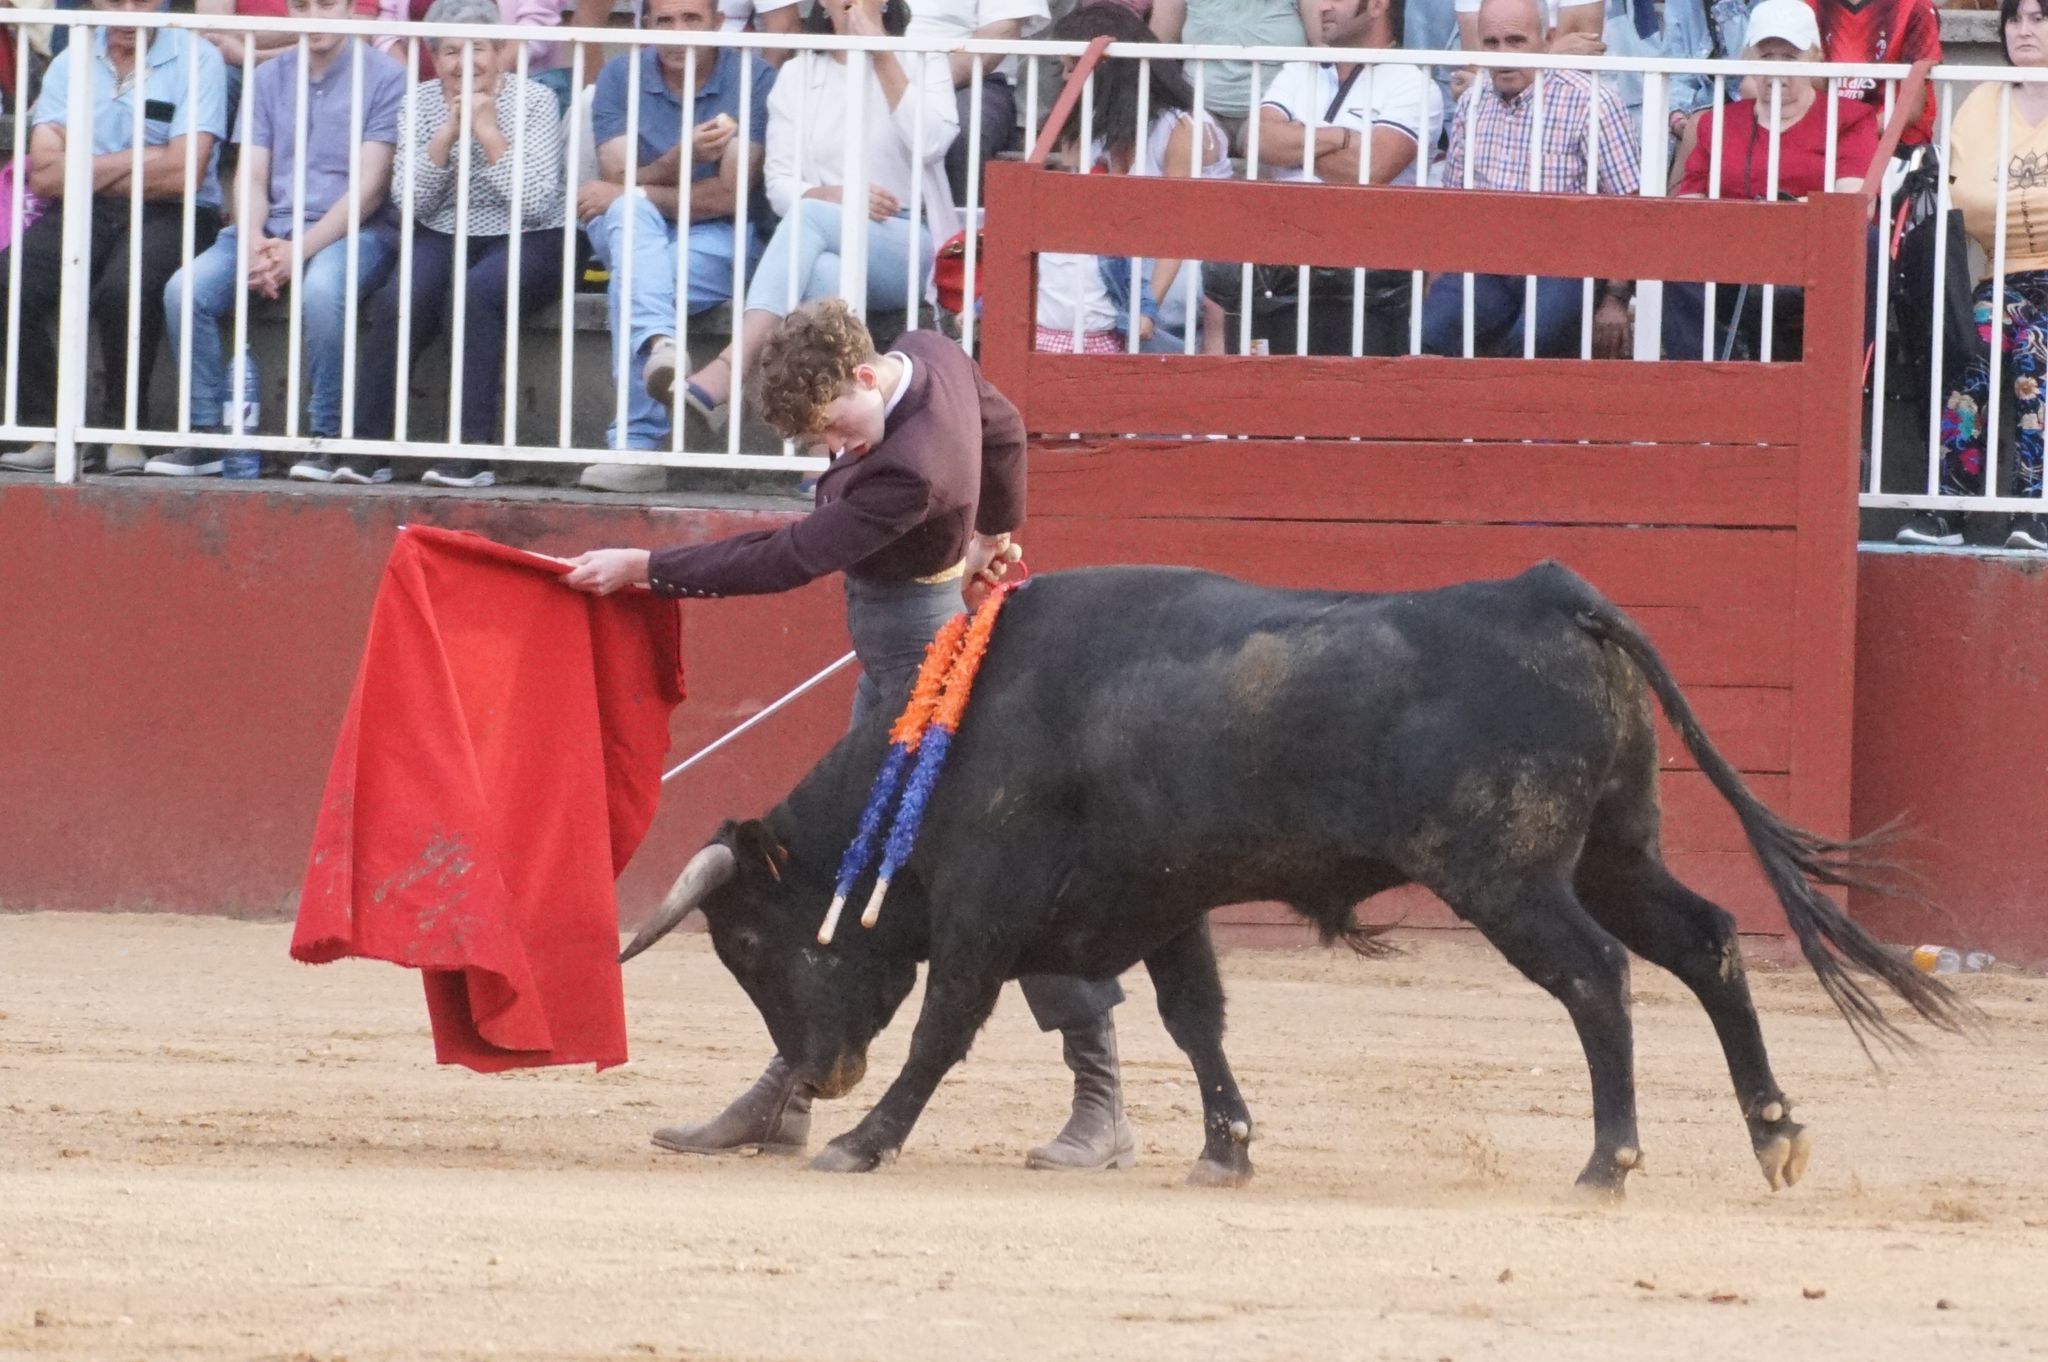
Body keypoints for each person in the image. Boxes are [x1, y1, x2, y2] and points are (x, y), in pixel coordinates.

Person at [563, 300, 1136, 1172]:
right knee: (854, 880)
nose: (835, 449)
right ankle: (787, 1093)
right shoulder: (931, 354)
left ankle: (1102, 1105)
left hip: (924, 673)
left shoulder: (910, 470)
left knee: (992, 883)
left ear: (865, 377)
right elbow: (1007, 423)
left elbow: (790, 557)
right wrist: (997, 529)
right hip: (895, 671)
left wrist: (650, 568)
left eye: (835, 427)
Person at [667, 0, 957, 430]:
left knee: (811, 217)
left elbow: (931, 144)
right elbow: (780, 187)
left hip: (908, 237)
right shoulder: (798, 74)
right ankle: (826, 444)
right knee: (822, 274)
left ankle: (732, 367)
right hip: (821, 233)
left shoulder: (923, 60)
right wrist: (837, 195)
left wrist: (880, 53)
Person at [149, 0, 404, 478]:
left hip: (354, 230)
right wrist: (252, 243)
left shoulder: (386, 76)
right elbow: (252, 176)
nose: (314, 16)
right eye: (302, 5)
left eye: (327, 4)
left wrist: (296, 252)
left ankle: (326, 436)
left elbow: (370, 189)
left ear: (351, 7)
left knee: (323, 291)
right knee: (184, 290)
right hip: (271, 229)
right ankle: (206, 435)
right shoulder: (268, 78)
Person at [333, 0, 565, 487]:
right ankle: (368, 446)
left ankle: (469, 451)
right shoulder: (418, 102)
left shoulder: (537, 100)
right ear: (435, 59)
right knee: (401, 298)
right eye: (450, 52)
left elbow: (537, 202)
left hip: (532, 235)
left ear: (501, 52)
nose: (464, 63)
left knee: (475, 294)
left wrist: (486, 131)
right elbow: (410, 203)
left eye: (478, 49)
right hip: (444, 227)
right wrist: (445, 136)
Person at [0, 0, 226, 476]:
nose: (127, 11)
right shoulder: (71, 57)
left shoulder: (198, 56)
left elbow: (184, 173)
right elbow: (42, 173)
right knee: (11, 277)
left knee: (126, 285)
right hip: (86, 206)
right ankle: (45, 425)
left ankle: (123, 430)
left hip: (176, 210)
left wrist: (79, 165)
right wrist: (143, 156)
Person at [574, 0, 774, 494]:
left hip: (719, 235)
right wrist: (679, 157)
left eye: (692, 19)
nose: (679, 31)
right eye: (665, 20)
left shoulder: (753, 76)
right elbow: (614, 179)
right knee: (628, 215)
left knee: (637, 268)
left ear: (717, 23)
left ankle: (636, 445)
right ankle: (659, 349)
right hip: (631, 229)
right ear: (646, 26)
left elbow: (728, 195)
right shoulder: (622, 74)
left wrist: (634, 189)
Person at [1901, 0, 2048, 551]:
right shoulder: (1982, 101)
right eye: (2015, 19)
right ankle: (1949, 505)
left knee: (2035, 352)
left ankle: (2035, 511)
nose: (2024, 30)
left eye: (2039, 17)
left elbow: (1984, 197)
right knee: (1973, 346)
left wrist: (2006, 198)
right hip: (2005, 277)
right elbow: (1961, 201)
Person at [1661, 0, 1878, 365]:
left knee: (1866, 243)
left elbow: (1855, 206)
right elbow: (1690, 202)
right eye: (1766, 57)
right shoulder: (1717, 124)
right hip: (1730, 261)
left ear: (1815, 61)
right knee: (1674, 244)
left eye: (1789, 58)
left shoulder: (1850, 119)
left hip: (1811, 264)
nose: (1777, 70)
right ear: (1749, 62)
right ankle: (1703, 382)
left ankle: (1834, 378)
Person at [1421, 0, 1636, 359]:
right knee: (1431, 332)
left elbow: (1630, 208)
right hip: (1487, 264)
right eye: (1491, 43)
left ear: (1548, 39)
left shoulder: (1592, 100)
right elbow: (1453, 206)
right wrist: (1438, 279)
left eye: (1516, 41)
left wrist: (1615, 299)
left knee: (1533, 341)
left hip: (1566, 263)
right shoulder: (1472, 102)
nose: (1503, 55)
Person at [1037, 3, 1228, 354]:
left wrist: (1145, 309)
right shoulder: (1081, 129)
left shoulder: (1180, 128)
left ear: (1108, 67)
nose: (1065, 77)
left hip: (1184, 259)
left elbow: (1180, 232)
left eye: (1072, 65)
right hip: (1116, 262)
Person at [1253, 0, 1439, 355]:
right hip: (1283, 267)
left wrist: (1292, 142)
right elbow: (1255, 139)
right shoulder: (1298, 68)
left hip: (1367, 279)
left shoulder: (1414, 82)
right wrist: (1339, 137)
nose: (1320, 6)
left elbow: (1368, 169)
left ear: (1378, 6)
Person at [903, 0, 1047, 207]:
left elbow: (1002, 30)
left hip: (975, 81)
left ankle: (960, 235)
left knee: (964, 129)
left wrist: (927, 87)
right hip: (867, 70)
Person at [1806, 0, 1942, 152]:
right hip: (1827, 144)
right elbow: (1805, 89)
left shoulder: (1915, 5)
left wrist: (1850, 135)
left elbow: (1911, 109)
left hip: (1896, 150)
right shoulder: (1809, 6)